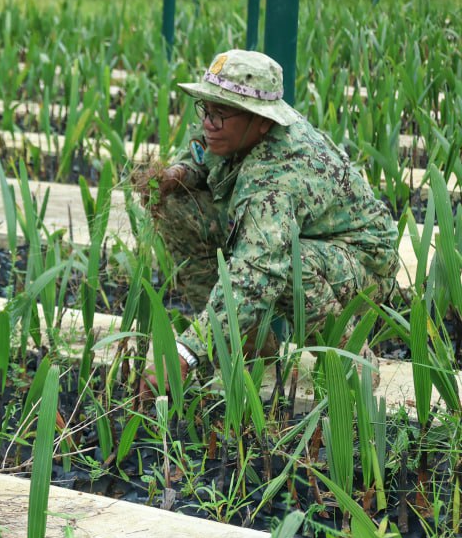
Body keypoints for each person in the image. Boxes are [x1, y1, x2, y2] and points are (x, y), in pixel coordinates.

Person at [142, 49, 398, 387]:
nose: (208, 123)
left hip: (363, 260)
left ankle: (352, 364)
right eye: (206, 109)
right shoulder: (233, 129)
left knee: (289, 264)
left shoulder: (276, 176)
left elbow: (257, 271)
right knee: (179, 206)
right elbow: (202, 155)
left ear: (262, 120)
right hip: (310, 238)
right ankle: (246, 343)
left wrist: (186, 351)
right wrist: (178, 174)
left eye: (220, 114)